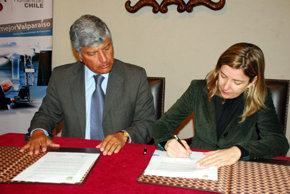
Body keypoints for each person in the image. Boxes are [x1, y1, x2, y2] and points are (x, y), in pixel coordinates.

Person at [20, 15, 156, 156]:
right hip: (75, 156)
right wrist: (39, 132)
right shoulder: (62, 77)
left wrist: (124, 136)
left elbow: (148, 123)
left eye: (107, 48)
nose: (104, 59)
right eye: (92, 53)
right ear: (79, 55)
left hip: (119, 156)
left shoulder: (134, 76)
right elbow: (47, 115)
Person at [152, 42, 289, 168]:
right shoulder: (198, 90)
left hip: (237, 169)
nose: (225, 86)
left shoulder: (261, 97)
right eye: (223, 76)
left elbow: (278, 142)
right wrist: (168, 142)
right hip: (197, 165)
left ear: (252, 81)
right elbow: (162, 125)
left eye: (237, 82)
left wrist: (239, 151)